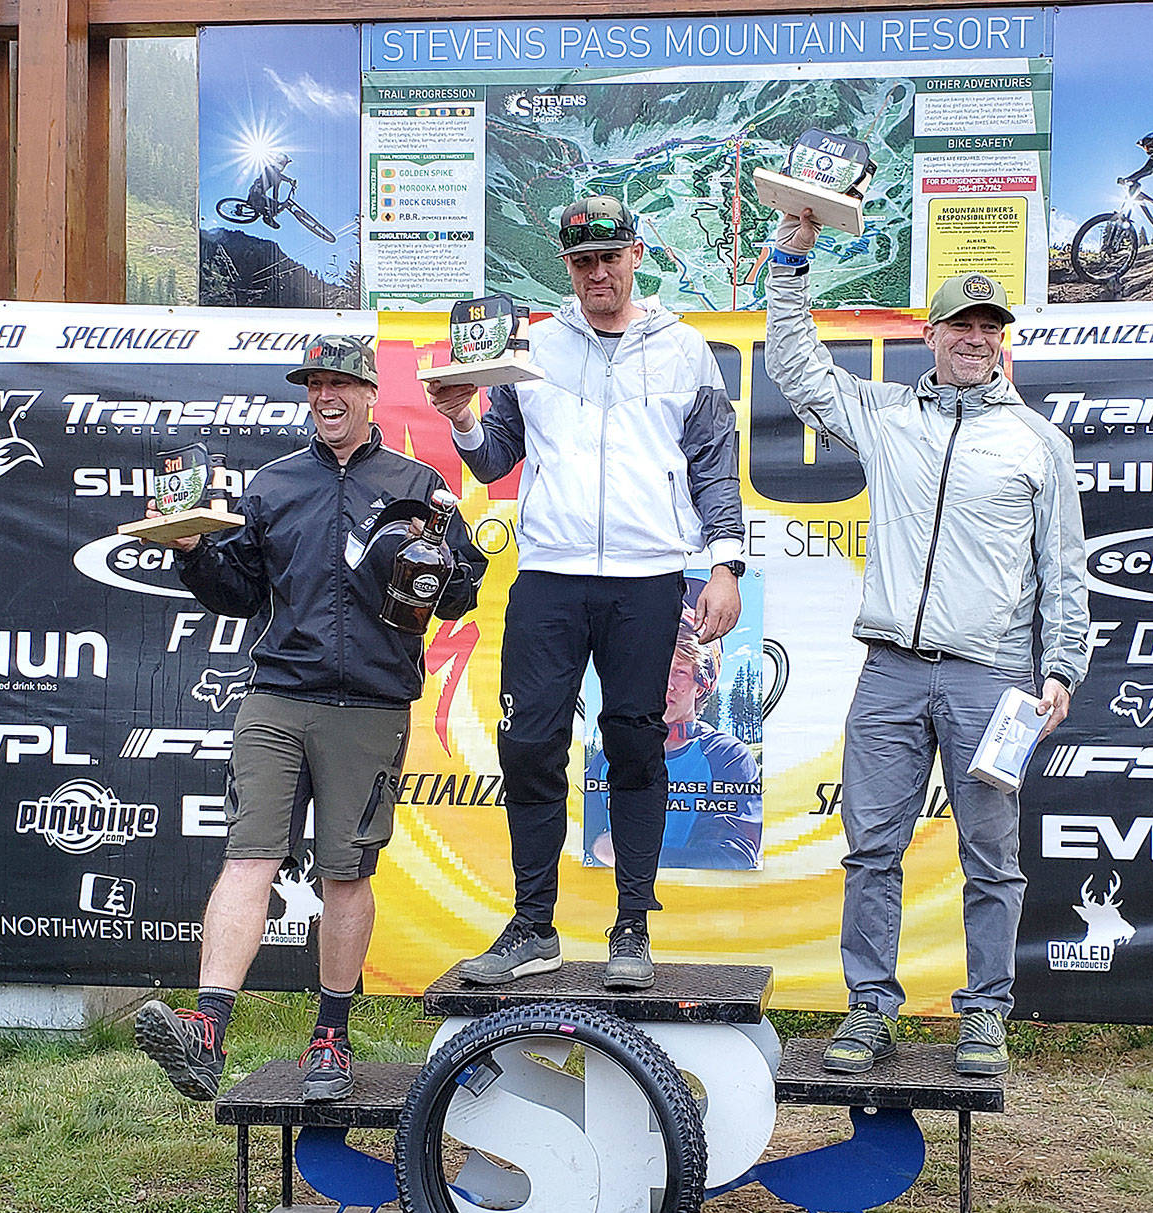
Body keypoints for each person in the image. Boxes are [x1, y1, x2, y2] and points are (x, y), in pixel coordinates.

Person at [765, 212, 1089, 1077]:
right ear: (931, 335)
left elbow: (1065, 569)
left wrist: (1062, 667)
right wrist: (790, 261)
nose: (976, 339)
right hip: (892, 676)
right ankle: (871, 1007)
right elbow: (795, 369)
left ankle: (984, 1014)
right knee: (871, 847)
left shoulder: (1039, 443)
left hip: (994, 680)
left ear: (1002, 343)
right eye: (962, 326)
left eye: (990, 328)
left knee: (991, 856)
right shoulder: (885, 414)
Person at [134, 335, 487, 1102]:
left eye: (340, 384)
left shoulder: (418, 484)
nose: (325, 396)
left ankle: (330, 1035)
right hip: (277, 697)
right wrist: (192, 548)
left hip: (369, 705)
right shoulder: (273, 485)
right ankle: (207, 1030)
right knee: (248, 855)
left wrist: (442, 566)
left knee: (345, 873)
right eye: (314, 384)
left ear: (369, 394)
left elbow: (461, 592)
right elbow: (236, 591)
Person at [428, 195, 744, 990]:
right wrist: (464, 417)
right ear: (564, 267)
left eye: (609, 256)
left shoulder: (684, 349)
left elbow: (712, 459)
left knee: (637, 740)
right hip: (551, 574)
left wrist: (726, 564)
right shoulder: (529, 345)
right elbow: (496, 459)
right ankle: (533, 925)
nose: (597, 273)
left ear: (636, 253)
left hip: (648, 578)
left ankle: (631, 925)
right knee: (529, 742)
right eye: (580, 261)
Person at [587, 604, 761, 870]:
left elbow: (735, 855)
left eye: (679, 671)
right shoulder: (608, 758)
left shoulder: (725, 757)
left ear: (702, 683)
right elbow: (582, 842)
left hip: (701, 907)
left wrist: (633, 857)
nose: (665, 683)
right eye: (655, 669)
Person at [248, 153, 293, 230]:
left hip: (258, 195)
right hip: (256, 193)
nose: (283, 167)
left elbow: (275, 192)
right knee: (274, 204)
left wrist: (278, 203)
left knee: (275, 205)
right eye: (283, 164)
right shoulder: (270, 168)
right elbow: (278, 175)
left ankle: (268, 216)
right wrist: (289, 180)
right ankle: (268, 218)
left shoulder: (277, 179)